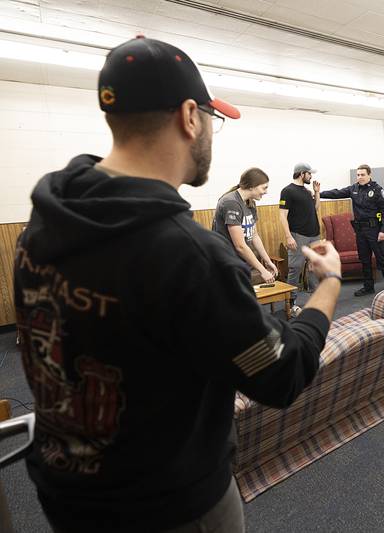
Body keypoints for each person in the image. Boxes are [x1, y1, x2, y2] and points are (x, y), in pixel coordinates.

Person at [13, 36, 343, 533]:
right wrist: (329, 285)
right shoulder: (189, 256)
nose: (212, 132)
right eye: (214, 120)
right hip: (167, 508)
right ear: (190, 117)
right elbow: (281, 375)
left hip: (66, 492)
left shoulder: (45, 223)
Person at [318, 164, 384, 296]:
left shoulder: (377, 190)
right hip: (360, 231)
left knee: (382, 259)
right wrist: (318, 194)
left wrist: (383, 230)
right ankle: (368, 287)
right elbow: (336, 193)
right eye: (358, 175)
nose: (360, 177)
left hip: (375, 230)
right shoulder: (353, 188)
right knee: (364, 260)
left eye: (362, 175)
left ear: (369, 175)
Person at [212, 167, 279, 285]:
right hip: (226, 262)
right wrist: (262, 270)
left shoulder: (250, 202)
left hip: (240, 262)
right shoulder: (231, 203)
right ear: (252, 186)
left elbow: (254, 236)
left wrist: (268, 261)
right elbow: (240, 246)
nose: (266, 191)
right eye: (264, 188)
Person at [279, 162, 321, 310]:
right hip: (298, 235)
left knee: (314, 267)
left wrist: (316, 192)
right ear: (302, 173)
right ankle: (291, 303)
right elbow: (282, 216)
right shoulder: (287, 191)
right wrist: (289, 236)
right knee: (295, 269)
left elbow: (315, 209)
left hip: (314, 235)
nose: (311, 176)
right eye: (309, 173)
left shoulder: (307, 191)